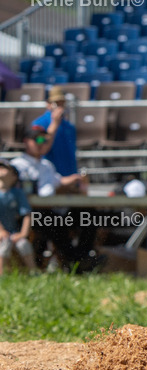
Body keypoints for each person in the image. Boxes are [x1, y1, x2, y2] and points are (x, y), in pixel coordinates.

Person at [12, 125, 92, 270]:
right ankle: (75, 262)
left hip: (52, 210)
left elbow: (59, 182)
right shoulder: (17, 166)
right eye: (38, 139)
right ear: (26, 141)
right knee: (53, 223)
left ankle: (83, 256)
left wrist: (76, 179)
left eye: (45, 139)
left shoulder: (46, 165)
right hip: (28, 214)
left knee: (89, 215)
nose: (41, 142)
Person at [0, 158, 36, 275]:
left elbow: (26, 214)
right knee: (5, 245)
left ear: (14, 176)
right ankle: (2, 275)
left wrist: (23, 234)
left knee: (24, 244)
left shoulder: (17, 193)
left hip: (12, 232)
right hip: (3, 234)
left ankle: (33, 273)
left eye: (5, 168)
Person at [33, 86, 78, 177]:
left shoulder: (69, 127)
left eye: (62, 103)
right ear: (48, 104)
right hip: (48, 176)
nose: (60, 107)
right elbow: (39, 147)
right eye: (57, 103)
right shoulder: (38, 124)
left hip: (68, 175)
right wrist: (54, 125)